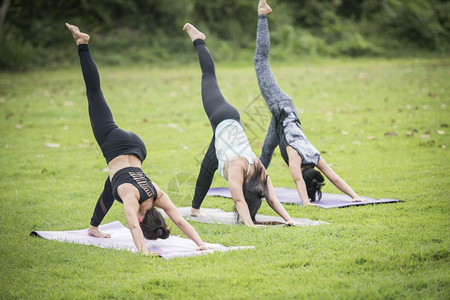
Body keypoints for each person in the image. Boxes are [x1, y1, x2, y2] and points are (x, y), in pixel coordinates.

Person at [66, 23, 212, 255]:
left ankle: (94, 226)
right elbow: (133, 224)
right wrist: (145, 251)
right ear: (144, 215)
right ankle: (82, 44)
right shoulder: (131, 198)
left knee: (111, 185)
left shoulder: (156, 193)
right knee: (94, 93)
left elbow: (180, 221)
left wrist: (201, 243)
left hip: (137, 147)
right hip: (113, 143)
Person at [183, 23, 302, 227]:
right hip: (221, 117)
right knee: (208, 77)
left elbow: (272, 199)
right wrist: (250, 225)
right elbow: (239, 201)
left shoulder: (260, 173)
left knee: (208, 165)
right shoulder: (238, 170)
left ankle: (195, 208)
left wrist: (290, 220)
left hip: (229, 129)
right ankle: (198, 40)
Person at [254, 0, 363, 205]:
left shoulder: (314, 157)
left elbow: (335, 178)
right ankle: (262, 14)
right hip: (281, 106)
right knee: (260, 60)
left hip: (283, 117)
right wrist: (306, 203)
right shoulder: (296, 156)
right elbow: (297, 178)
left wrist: (354, 195)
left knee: (267, 151)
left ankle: (252, 185)